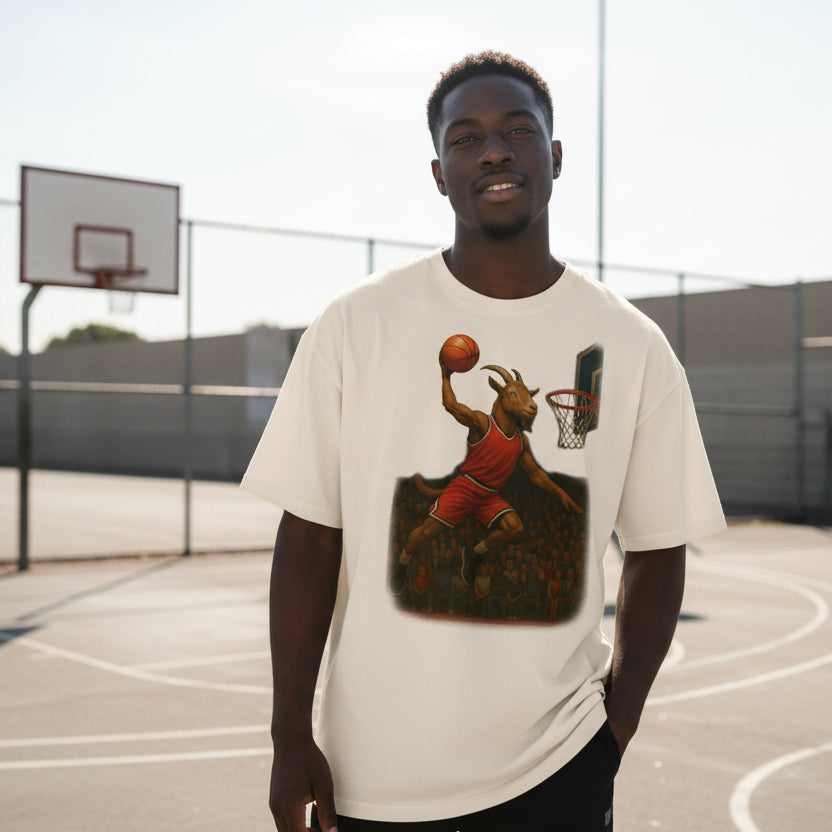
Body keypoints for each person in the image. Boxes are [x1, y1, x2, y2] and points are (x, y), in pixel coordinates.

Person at [242, 51, 725, 832]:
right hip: (375, 776)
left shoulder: (631, 346)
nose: (493, 150)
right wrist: (288, 734)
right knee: (440, 530)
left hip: (560, 765)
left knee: (506, 522)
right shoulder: (355, 325)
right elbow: (307, 535)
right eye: (465, 137)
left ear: (555, 156)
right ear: (438, 172)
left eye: (517, 130)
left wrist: (618, 724)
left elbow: (659, 547)